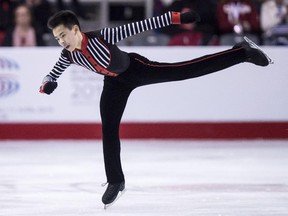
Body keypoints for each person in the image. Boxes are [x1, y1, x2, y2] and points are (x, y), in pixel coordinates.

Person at [39, 10, 272, 207]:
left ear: (76, 29)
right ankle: (115, 181)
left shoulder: (103, 36)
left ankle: (241, 52)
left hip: (137, 69)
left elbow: (144, 25)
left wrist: (178, 17)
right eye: (57, 39)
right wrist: (48, 83)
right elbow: (53, 72)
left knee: (185, 70)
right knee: (108, 129)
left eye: (63, 35)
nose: (61, 41)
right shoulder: (67, 55)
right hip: (114, 84)